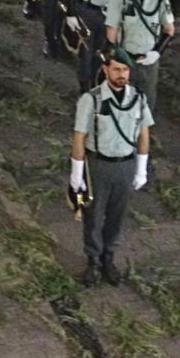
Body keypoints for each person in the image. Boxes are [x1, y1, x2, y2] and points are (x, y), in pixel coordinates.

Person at [69, 48, 151, 288]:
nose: (121, 74)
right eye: (116, 69)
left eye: (125, 70)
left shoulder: (138, 99)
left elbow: (144, 134)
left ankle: (109, 258)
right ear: (105, 70)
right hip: (98, 165)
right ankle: (93, 260)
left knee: (117, 214)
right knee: (93, 216)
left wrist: (142, 169)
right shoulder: (91, 100)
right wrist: (77, 174)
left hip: (125, 164)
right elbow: (79, 137)